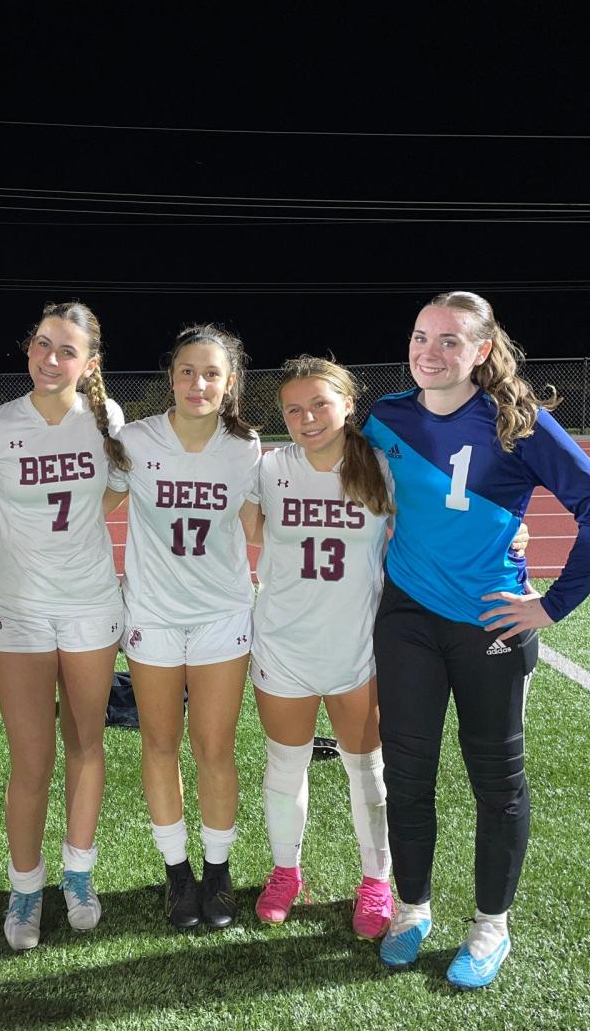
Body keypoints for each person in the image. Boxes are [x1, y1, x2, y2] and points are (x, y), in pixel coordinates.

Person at [364, 291, 590, 989]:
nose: (429, 352)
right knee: (406, 777)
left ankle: (491, 924)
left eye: (450, 341)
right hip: (405, 620)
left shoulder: (519, 424)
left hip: (490, 626)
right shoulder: (385, 417)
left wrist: (551, 606)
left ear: (483, 351)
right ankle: (411, 907)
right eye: (420, 337)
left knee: (497, 784)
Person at [0, 301, 128, 951]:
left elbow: (114, 492)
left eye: (66, 350)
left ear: (89, 363)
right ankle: (25, 886)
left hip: (91, 604)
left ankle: (79, 875)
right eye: (41, 344)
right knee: (31, 759)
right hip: (21, 610)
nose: (49, 358)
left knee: (87, 743)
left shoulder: (107, 419)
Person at [105, 326, 262, 930]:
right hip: (153, 615)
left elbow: (258, 527)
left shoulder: (244, 447)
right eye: (187, 372)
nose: (199, 384)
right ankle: (177, 872)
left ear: (230, 384)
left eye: (212, 374)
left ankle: (218, 870)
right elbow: (94, 506)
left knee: (214, 748)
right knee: (159, 744)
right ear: (171, 377)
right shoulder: (136, 440)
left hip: (223, 613)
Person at [247, 356, 395, 939]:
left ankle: (376, 879)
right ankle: (287, 871)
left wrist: (509, 527)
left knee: (368, 770)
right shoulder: (268, 467)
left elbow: (430, 527)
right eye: (294, 408)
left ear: (348, 406)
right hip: (282, 642)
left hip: (355, 645)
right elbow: (235, 526)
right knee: (285, 766)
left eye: (320, 404)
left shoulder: (380, 468)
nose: (307, 418)